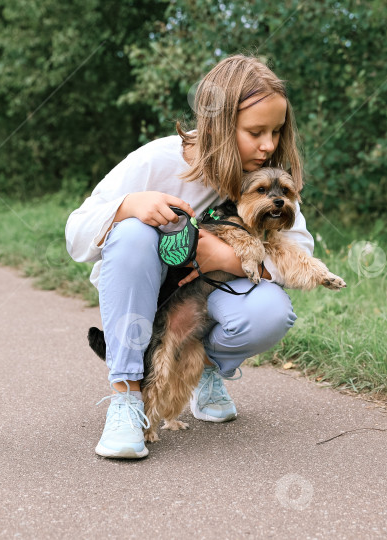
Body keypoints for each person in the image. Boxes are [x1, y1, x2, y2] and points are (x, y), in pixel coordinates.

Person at [65, 54, 316, 459]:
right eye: (255, 132)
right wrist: (128, 204)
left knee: (272, 310)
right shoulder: (157, 160)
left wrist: (223, 257)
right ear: (218, 124)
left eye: (276, 131)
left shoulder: (264, 178)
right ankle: (127, 395)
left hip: (205, 297)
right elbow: (75, 234)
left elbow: (299, 250)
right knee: (130, 233)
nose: (269, 145)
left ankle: (202, 370)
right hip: (144, 294)